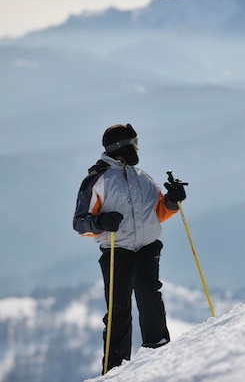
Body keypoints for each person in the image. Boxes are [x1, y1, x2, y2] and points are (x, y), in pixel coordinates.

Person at [73, 123, 186, 374]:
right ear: (122, 148)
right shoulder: (97, 180)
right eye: (134, 143)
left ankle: (158, 349)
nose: (138, 148)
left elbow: (157, 212)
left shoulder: (142, 177)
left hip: (147, 247)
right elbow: (80, 223)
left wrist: (172, 200)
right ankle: (115, 368)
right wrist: (100, 222)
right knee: (118, 307)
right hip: (116, 251)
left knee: (148, 290)